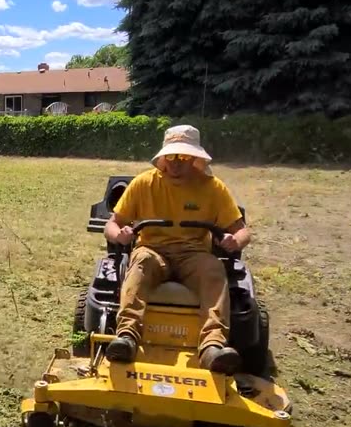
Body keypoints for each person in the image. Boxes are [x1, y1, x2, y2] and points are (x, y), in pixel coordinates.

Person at [102, 124, 251, 373]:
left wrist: (235, 240)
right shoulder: (143, 184)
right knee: (140, 265)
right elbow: (112, 224)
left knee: (213, 269)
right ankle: (127, 337)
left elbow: (242, 230)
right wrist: (121, 234)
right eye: (171, 156)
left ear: (194, 158)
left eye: (183, 156)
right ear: (163, 156)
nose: (176, 163)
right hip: (152, 249)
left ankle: (212, 347)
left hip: (193, 254)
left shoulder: (213, 188)